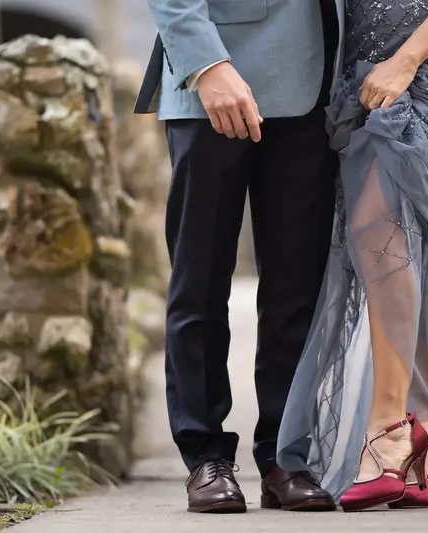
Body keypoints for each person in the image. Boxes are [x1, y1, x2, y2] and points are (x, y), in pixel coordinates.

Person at [277, 0, 428, 511]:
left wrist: (407, 60)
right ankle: (426, 433)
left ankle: (390, 432)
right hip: (364, 70)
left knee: (377, 226)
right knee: (395, 237)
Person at [136, 0, 341, 514]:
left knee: (298, 284)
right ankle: (205, 457)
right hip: (212, 80)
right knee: (200, 282)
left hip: (314, 75)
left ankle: (286, 456)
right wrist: (206, 64)